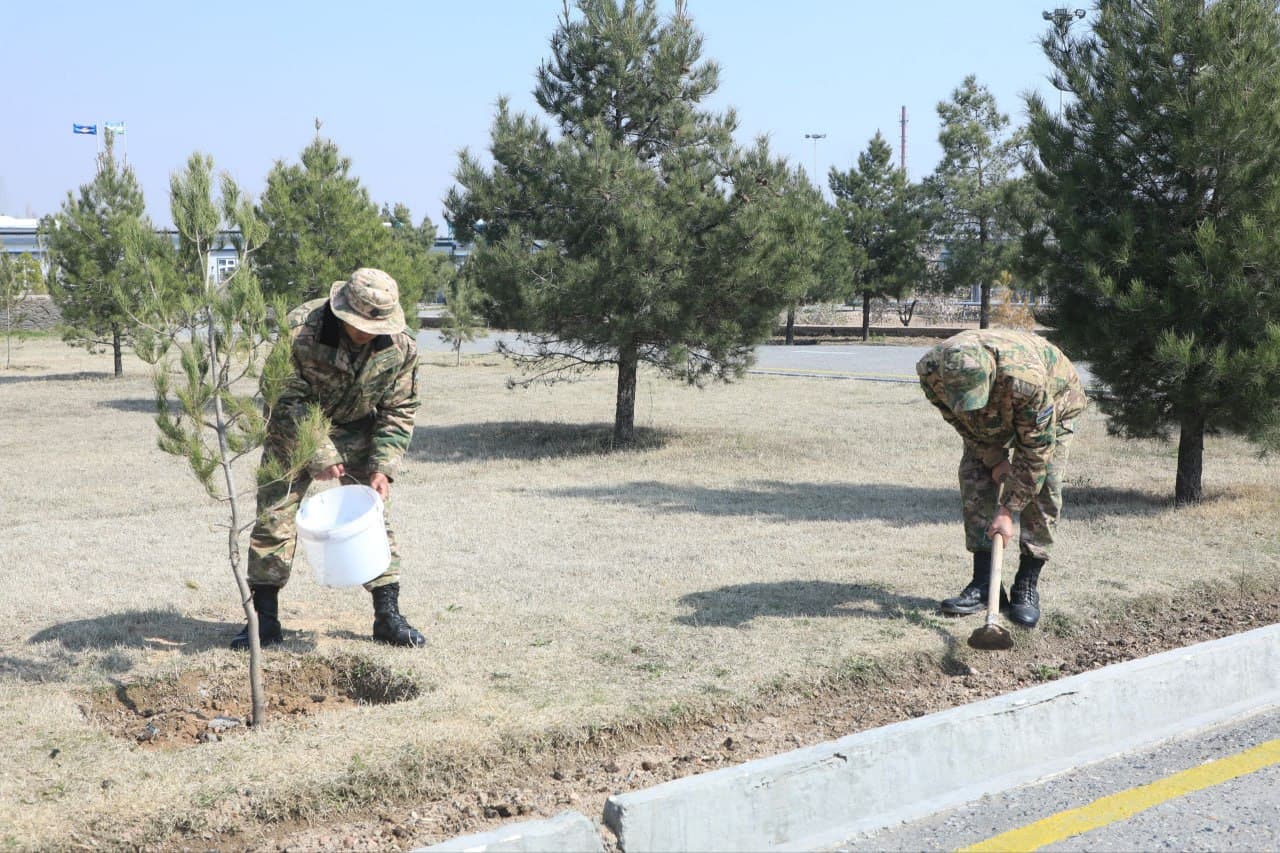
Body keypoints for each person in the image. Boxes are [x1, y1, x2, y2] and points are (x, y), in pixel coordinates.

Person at [231, 267, 425, 649]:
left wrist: (383, 467)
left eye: (377, 327)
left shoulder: (401, 347)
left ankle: (388, 616)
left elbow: (399, 409)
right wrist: (319, 450)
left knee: (374, 517)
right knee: (274, 517)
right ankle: (263, 621)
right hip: (293, 426)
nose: (368, 333)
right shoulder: (301, 330)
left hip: (358, 427)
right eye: (361, 325)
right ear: (343, 311)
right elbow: (283, 395)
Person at [915, 328, 1087, 628]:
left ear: (990, 377)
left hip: (1055, 403)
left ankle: (1026, 584)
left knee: (1044, 488)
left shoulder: (1027, 381)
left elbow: (1035, 454)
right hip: (1002, 402)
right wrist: (992, 457)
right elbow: (958, 419)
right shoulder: (931, 371)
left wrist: (1008, 510)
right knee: (974, 476)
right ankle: (984, 583)